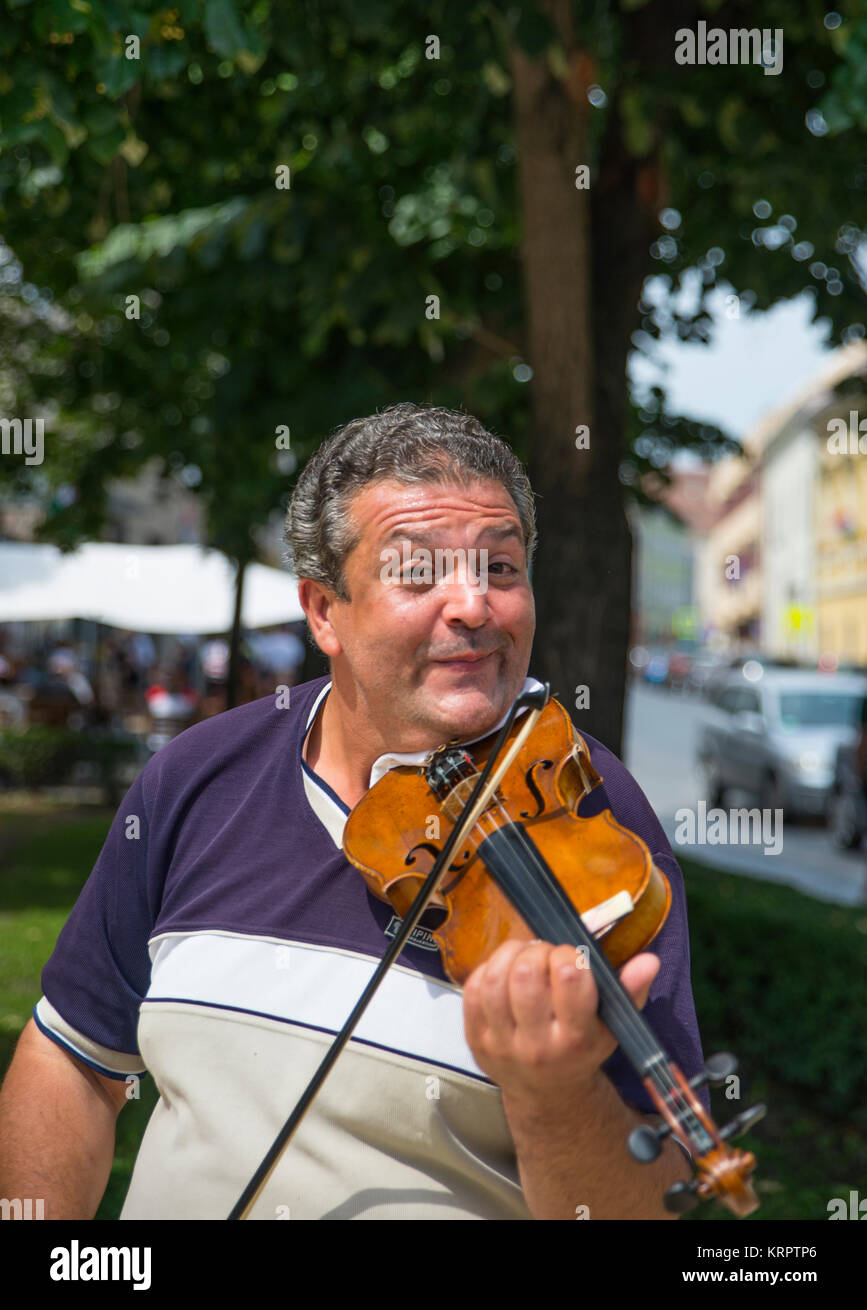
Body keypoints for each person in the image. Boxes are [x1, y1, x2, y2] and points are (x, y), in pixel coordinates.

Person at [0, 404, 706, 1220]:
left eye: (501, 568)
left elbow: (652, 1205)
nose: (473, 605)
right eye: (417, 572)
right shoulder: (198, 776)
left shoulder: (595, 819)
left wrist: (552, 1096)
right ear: (323, 611)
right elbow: (74, 1060)